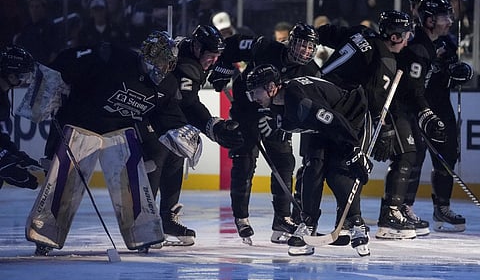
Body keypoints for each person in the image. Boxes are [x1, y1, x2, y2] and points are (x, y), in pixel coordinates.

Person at [26, 31, 200, 255]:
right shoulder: (114, 58)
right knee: (64, 180)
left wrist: (180, 130)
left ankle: (143, 233)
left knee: (133, 182)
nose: (164, 68)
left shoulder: (166, 85)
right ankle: (45, 231)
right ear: (148, 54)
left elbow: (167, 113)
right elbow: (71, 59)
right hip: (81, 125)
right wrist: (53, 79)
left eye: (169, 63)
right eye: (161, 60)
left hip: (119, 132)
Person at [289, 10, 413, 256]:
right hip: (348, 112)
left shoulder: (360, 32)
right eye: (406, 35)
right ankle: (345, 222)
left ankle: (317, 223)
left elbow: (325, 32)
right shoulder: (386, 59)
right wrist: (383, 130)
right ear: (396, 37)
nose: (407, 41)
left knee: (315, 166)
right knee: (344, 167)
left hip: (318, 100)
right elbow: (377, 101)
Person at [210, 23, 322, 245]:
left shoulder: (311, 72)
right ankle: (241, 217)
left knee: (284, 163)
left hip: (276, 118)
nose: (305, 52)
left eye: (310, 48)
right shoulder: (265, 46)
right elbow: (231, 44)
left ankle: (282, 218)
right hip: (246, 110)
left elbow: (312, 104)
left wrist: (285, 122)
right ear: (291, 42)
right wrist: (222, 69)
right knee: (244, 161)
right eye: (301, 45)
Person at [244, 64, 372, 256]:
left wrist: (353, 148)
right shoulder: (279, 101)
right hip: (322, 125)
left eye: (255, 93)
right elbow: (315, 123)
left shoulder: (297, 99)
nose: (253, 99)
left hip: (348, 117)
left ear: (271, 88)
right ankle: (308, 223)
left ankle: (356, 222)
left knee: (338, 171)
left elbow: (334, 120)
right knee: (312, 169)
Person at [145, 24, 244, 246]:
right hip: (151, 115)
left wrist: (223, 68)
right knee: (156, 159)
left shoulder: (187, 48)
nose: (214, 61)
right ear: (197, 47)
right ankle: (146, 222)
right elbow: (189, 104)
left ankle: (167, 218)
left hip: (168, 115)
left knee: (175, 158)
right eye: (211, 56)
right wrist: (212, 126)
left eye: (217, 57)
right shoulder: (187, 66)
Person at [373, 0, 455, 239]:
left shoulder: (428, 45)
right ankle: (390, 216)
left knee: (413, 154)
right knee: (407, 155)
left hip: (405, 109)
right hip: (396, 108)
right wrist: (426, 113)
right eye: (444, 18)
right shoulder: (419, 47)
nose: (449, 22)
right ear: (429, 21)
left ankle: (399, 210)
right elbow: (411, 88)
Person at [404, 0, 472, 232]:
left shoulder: (447, 41)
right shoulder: (410, 40)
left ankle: (441, 208)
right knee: (413, 155)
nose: (450, 21)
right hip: (415, 104)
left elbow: (450, 70)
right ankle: (404, 208)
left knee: (447, 154)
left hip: (440, 103)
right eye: (444, 17)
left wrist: (457, 72)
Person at [0, 45, 40, 190]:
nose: (25, 81)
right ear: (11, 75)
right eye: (23, 75)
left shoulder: (3, 96)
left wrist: (16, 155)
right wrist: (4, 161)